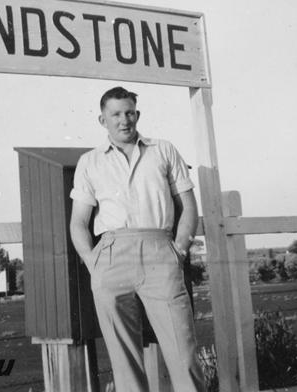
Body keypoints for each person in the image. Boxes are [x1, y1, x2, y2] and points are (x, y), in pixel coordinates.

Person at [69, 86, 205, 392]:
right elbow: (78, 222)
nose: (124, 120)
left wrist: (179, 250)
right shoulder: (90, 162)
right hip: (112, 255)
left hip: (160, 251)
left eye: (129, 112)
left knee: (183, 351)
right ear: (102, 120)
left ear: (137, 115)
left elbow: (188, 206)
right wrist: (95, 263)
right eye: (116, 114)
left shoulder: (163, 149)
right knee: (124, 361)